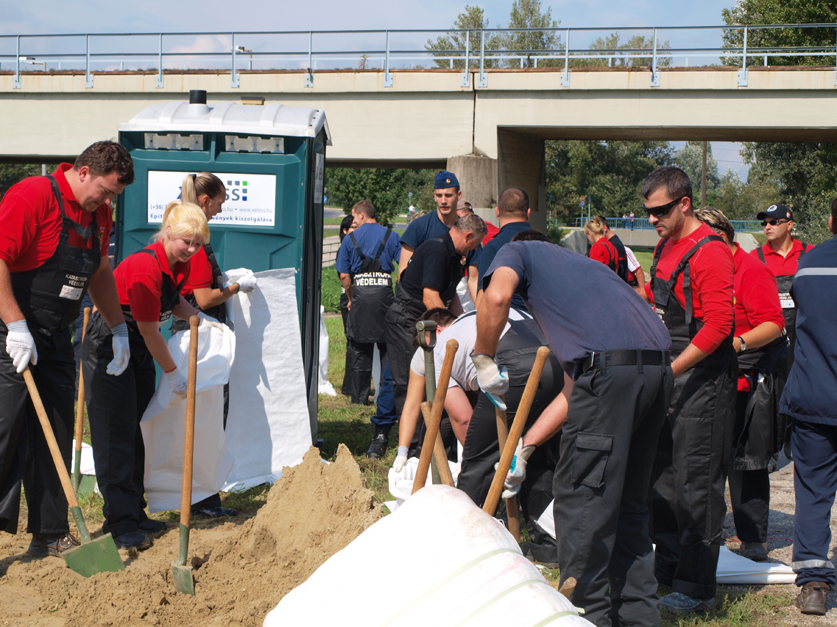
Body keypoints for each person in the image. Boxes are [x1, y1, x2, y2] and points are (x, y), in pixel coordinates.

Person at [474, 229, 673, 627]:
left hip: (613, 375)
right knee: (628, 504)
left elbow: (494, 297)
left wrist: (483, 355)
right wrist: (525, 448)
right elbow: (575, 388)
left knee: (582, 499)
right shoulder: (582, 274)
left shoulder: (515, 251)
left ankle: (587, 617)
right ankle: (639, 618)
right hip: (656, 371)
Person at [0, 141, 134, 558]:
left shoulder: (99, 216)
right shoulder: (34, 195)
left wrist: (119, 328)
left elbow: (97, 270)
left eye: (114, 196)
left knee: (55, 432)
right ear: (82, 173)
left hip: (57, 335)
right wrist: (16, 325)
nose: (108, 201)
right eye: (106, 191)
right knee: (3, 431)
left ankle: (51, 533)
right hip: (10, 331)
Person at [83, 200, 210, 550]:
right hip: (112, 343)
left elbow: (175, 301)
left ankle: (134, 512)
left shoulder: (175, 264)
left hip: (138, 346)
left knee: (137, 429)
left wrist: (201, 319)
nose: (192, 249)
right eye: (187, 241)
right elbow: (150, 330)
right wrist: (172, 373)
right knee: (116, 435)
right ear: (168, 232)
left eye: (198, 243)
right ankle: (119, 524)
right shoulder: (143, 267)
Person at [642, 167, 737, 615]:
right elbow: (652, 299)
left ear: (684, 204)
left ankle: (699, 589)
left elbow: (720, 324)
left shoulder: (711, 253)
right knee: (661, 476)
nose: (652, 220)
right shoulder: (665, 245)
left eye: (660, 211)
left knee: (696, 483)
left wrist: (672, 371)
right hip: (668, 371)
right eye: (647, 212)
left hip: (703, 379)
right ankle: (668, 569)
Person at [696, 208, 786, 563]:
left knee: (745, 461)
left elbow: (774, 324)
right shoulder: (709, 268)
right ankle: (709, 532)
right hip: (714, 371)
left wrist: (736, 343)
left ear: (720, 236)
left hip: (748, 374)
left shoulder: (750, 270)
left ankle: (752, 537)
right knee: (709, 457)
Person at [171, 172, 257, 518]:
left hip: (196, 337)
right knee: (205, 419)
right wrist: (235, 287)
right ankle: (202, 500)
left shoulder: (191, 237)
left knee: (202, 418)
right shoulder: (197, 242)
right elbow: (203, 298)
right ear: (205, 201)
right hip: (201, 341)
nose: (221, 209)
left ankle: (199, 496)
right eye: (220, 202)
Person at [779, 199, 837, 616]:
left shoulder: (808, 264)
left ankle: (815, 583)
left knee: (814, 491)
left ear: (832, 220)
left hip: (814, 396)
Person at [385, 214, 485, 436]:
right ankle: (412, 450)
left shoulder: (453, 256)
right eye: (475, 244)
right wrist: (454, 332)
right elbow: (430, 297)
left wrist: (465, 323)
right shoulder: (437, 250)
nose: (472, 250)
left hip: (428, 319)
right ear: (468, 236)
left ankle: (434, 442)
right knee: (413, 384)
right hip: (407, 320)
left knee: (435, 380)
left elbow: (451, 298)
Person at [335, 200, 401, 458]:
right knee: (389, 358)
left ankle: (357, 395)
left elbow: (344, 276)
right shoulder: (392, 236)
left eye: (355, 218)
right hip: (386, 301)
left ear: (361, 215)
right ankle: (387, 400)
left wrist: (351, 297)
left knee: (358, 352)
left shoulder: (350, 240)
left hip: (361, 302)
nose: (355, 222)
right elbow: (403, 267)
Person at [751, 204, 813, 460]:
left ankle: (800, 441)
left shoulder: (809, 254)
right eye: (765, 222)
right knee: (774, 389)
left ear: (790, 224)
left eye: (774, 222)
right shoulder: (756, 257)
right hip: (770, 334)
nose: (767, 227)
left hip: (804, 334)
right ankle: (774, 443)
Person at [398, 171, 481, 305]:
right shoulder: (419, 226)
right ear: (434, 196)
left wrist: (479, 314)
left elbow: (473, 279)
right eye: (439, 195)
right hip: (415, 308)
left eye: (448, 195)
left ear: (459, 195)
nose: (443, 201)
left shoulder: (467, 232)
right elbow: (402, 273)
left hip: (448, 303)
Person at [475, 187, 531, 311]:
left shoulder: (492, 248)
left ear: (497, 212)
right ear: (528, 213)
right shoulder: (547, 246)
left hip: (508, 324)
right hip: (543, 325)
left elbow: (483, 298)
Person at [337, 215, 358, 399]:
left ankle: (352, 385)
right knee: (353, 341)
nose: (356, 230)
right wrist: (351, 296)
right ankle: (350, 386)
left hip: (357, 298)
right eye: (353, 227)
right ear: (345, 230)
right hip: (349, 298)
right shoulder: (345, 249)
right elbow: (344, 276)